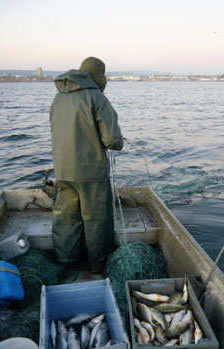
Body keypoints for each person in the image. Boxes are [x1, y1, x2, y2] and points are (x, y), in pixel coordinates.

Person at [50, 56, 124, 272]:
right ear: (98, 77)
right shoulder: (96, 97)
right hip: (92, 172)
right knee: (95, 219)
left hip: (63, 169)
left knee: (65, 217)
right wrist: (119, 143)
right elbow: (111, 140)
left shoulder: (58, 98)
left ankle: (65, 262)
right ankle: (97, 264)